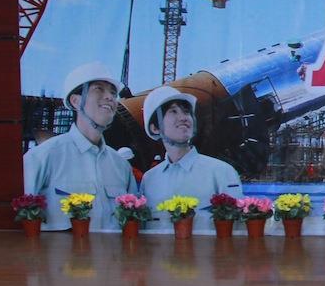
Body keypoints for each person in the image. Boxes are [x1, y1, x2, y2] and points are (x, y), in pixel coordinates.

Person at [24, 62, 137, 231]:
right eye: (99, 89)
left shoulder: (121, 166)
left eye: (113, 93)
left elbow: (133, 225)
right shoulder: (42, 158)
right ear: (76, 101)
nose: (110, 97)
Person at [139, 85, 243, 234]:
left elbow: (237, 230)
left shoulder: (221, 172)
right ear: (155, 128)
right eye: (173, 111)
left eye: (186, 112)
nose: (183, 118)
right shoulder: (149, 180)